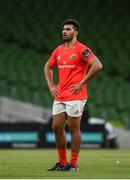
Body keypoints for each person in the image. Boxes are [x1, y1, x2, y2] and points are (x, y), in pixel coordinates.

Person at [44, 19, 103, 171]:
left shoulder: (82, 49)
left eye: (69, 29)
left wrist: (82, 82)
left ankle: (74, 164)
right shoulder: (58, 50)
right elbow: (48, 66)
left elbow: (97, 65)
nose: (65, 31)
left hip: (76, 95)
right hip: (61, 94)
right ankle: (63, 163)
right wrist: (51, 85)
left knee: (73, 127)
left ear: (75, 32)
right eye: (64, 29)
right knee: (56, 126)